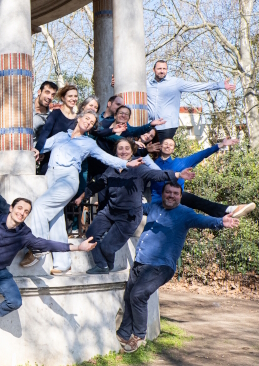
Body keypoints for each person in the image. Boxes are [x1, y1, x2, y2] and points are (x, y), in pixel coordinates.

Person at [117, 182, 238, 353]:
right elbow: (138, 208)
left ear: (180, 196)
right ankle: (123, 332)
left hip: (160, 266)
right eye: (168, 192)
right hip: (141, 261)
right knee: (130, 296)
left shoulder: (185, 213)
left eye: (175, 193)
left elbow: (203, 220)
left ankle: (139, 336)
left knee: (138, 295)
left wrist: (220, 222)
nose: (171, 196)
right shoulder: (154, 206)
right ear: (163, 194)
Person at [0, 198, 97, 336]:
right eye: (19, 208)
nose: (22, 213)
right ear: (11, 208)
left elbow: (46, 244)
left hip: (0, 272)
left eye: (26, 211)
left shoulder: (24, 234)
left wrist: (77, 247)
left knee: (15, 302)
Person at [23, 112, 145, 273]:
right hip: (50, 176)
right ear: (79, 119)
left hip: (68, 178)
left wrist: (126, 164)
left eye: (92, 122)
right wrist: (34, 149)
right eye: (87, 118)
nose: (88, 122)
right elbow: (43, 145)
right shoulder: (61, 136)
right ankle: (63, 263)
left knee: (40, 206)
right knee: (56, 218)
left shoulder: (89, 143)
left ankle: (37, 247)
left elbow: (105, 157)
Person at [75, 138, 194, 274]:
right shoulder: (111, 169)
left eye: (127, 148)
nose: (123, 151)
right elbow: (98, 184)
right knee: (91, 233)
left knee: (107, 246)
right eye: (120, 148)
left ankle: (107, 263)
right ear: (116, 152)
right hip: (110, 211)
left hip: (128, 216)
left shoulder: (139, 168)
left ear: (132, 151)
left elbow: (157, 174)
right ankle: (102, 265)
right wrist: (82, 196)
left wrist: (178, 174)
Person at [151, 138, 255, 218]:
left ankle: (230, 210)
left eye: (171, 145)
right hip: (158, 202)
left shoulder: (180, 163)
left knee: (193, 204)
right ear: (161, 146)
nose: (168, 146)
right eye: (166, 144)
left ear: (173, 149)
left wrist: (221, 145)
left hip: (177, 201)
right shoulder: (152, 164)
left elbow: (201, 154)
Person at [146, 60, 236, 140]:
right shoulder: (147, 84)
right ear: (154, 70)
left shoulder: (175, 83)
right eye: (159, 69)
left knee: (162, 151)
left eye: (164, 69)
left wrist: (220, 85)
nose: (162, 71)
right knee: (146, 150)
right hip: (150, 125)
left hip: (167, 125)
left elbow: (197, 86)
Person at [34, 84, 80, 175]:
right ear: (63, 98)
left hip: (67, 163)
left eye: (75, 96)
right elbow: (45, 133)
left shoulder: (78, 119)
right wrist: (38, 150)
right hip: (49, 161)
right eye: (70, 96)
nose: (73, 99)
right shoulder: (55, 114)